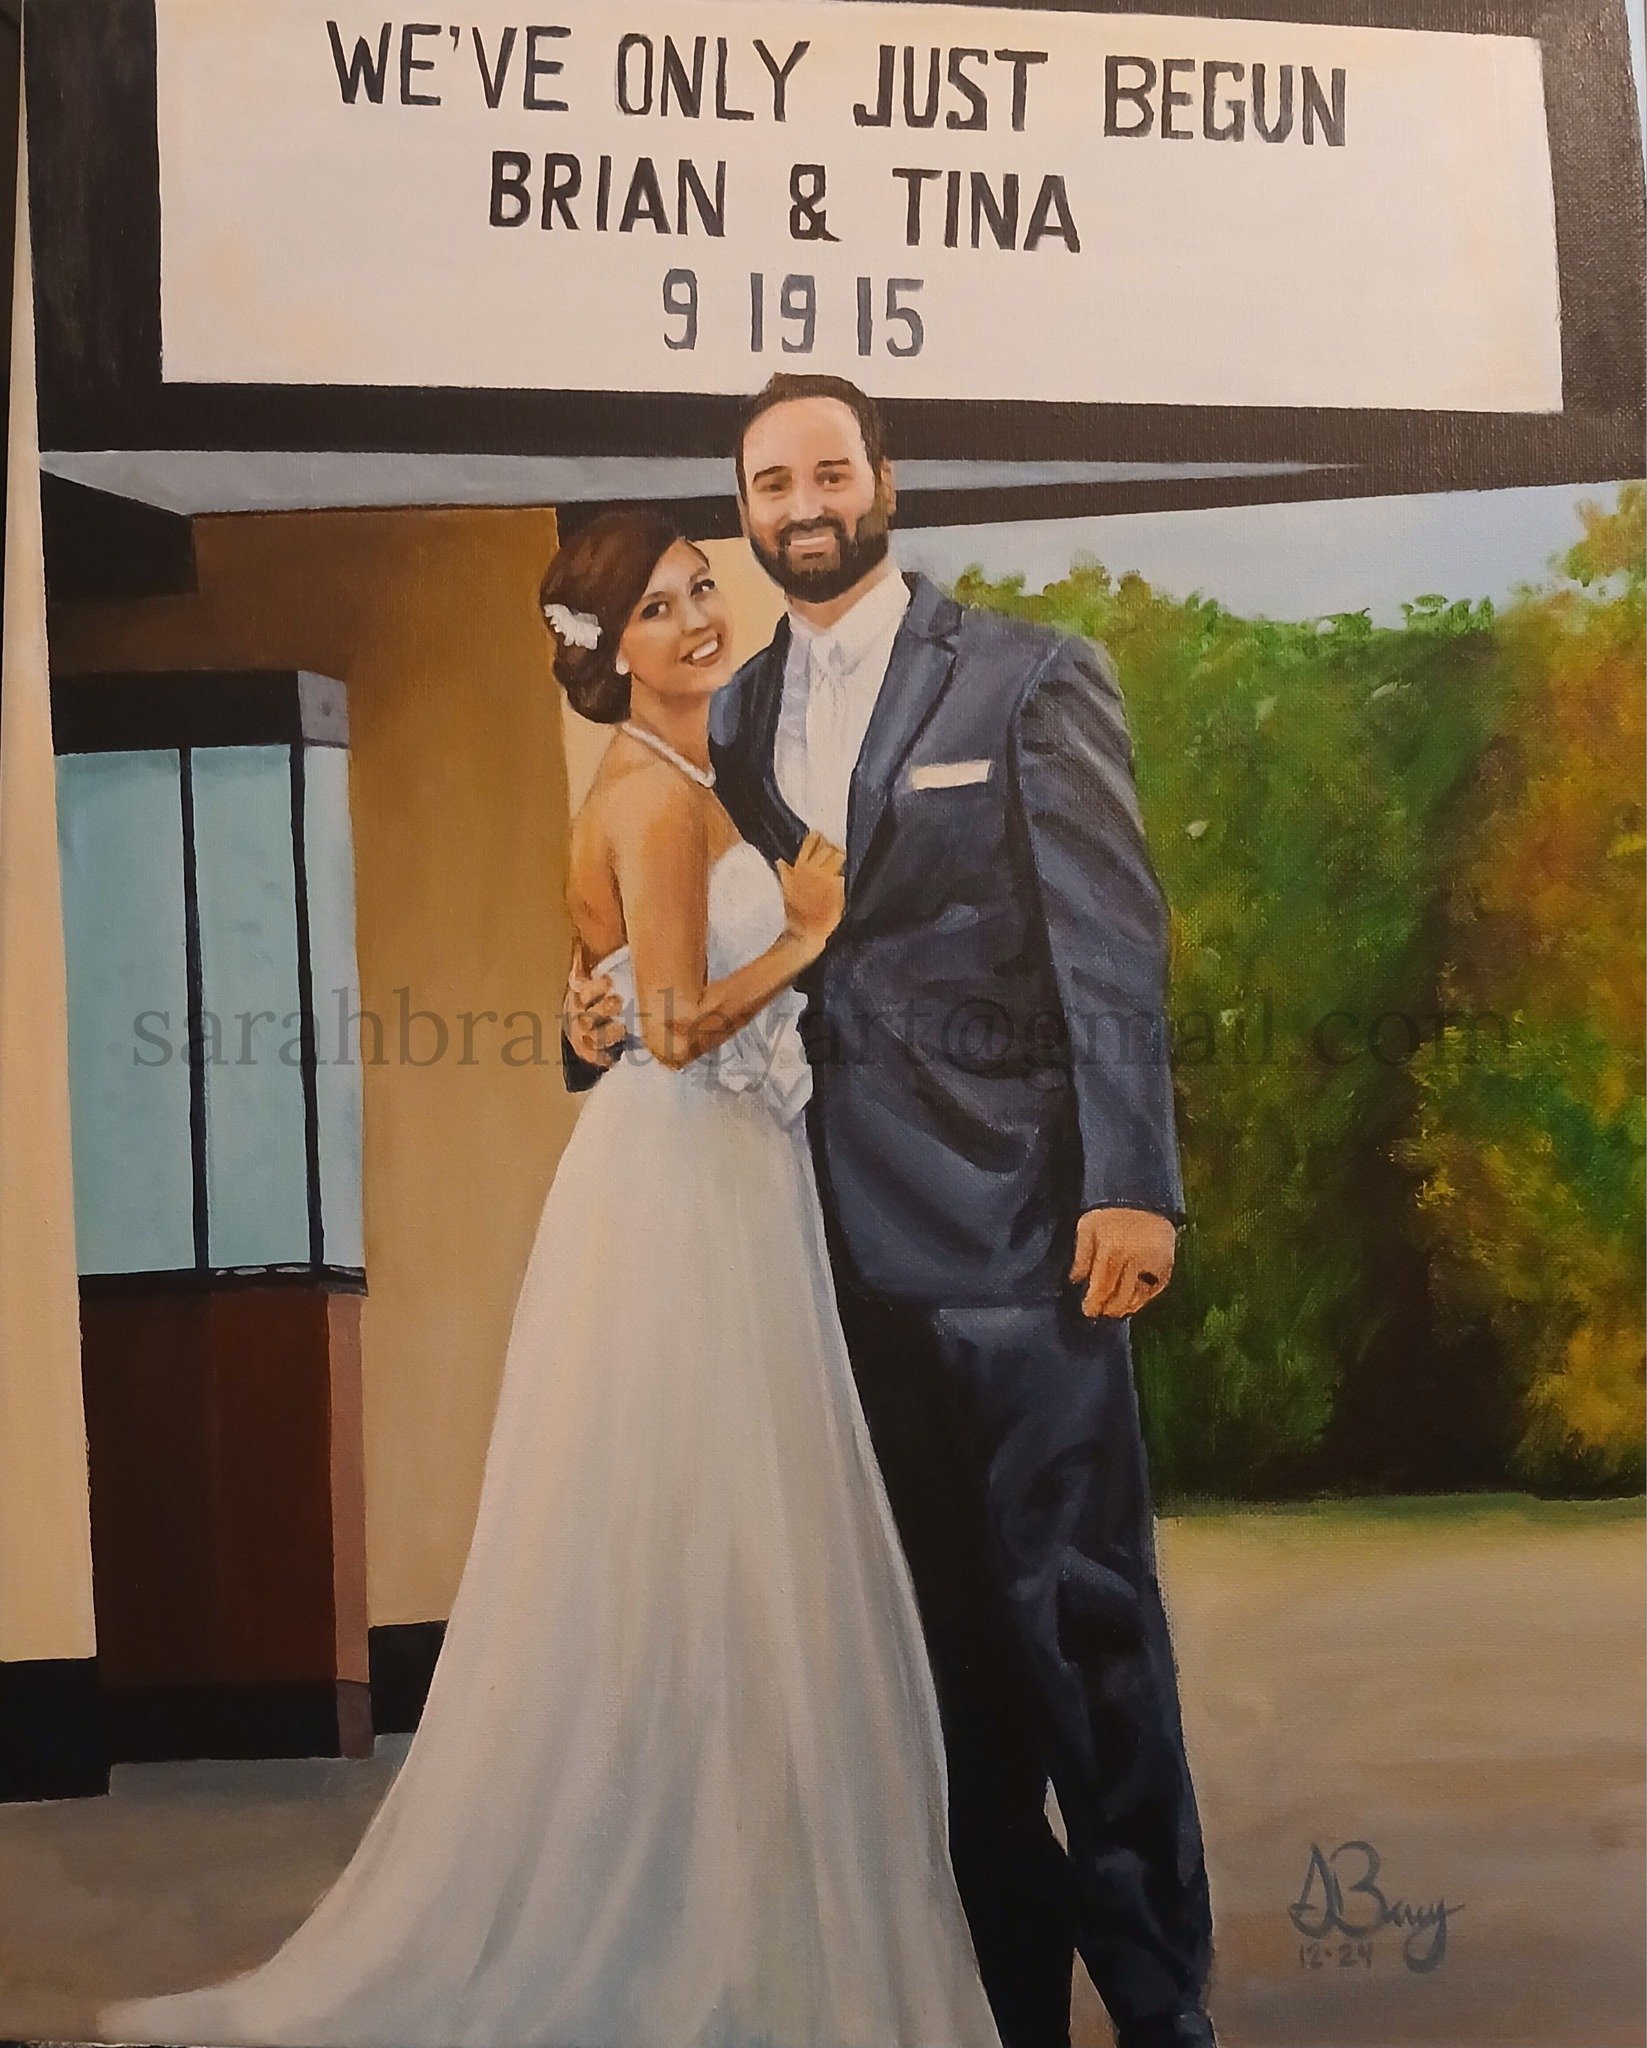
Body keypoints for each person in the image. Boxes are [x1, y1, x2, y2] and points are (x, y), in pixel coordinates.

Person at [100, 508, 1002, 2048]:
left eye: (698, 589)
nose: (699, 620)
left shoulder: (700, 774)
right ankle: (709, 1933)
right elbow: (662, 1029)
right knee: (698, 1540)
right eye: (658, 611)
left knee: (726, 1547)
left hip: (714, 1175)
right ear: (609, 657)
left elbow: (597, 1013)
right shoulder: (649, 800)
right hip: (686, 1193)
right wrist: (808, 938)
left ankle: (738, 1911)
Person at [566, 375, 1217, 2048]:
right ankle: (1009, 2020)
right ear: (747, 504)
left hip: (1021, 1251)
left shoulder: (1026, 675)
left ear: (887, 483)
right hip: (818, 1271)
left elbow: (1110, 948)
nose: (801, 503)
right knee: (940, 1688)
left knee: (1086, 1647)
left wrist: (1133, 1183)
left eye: (829, 469)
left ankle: (1166, 2016)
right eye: (768, 480)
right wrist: (596, 1022)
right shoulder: (737, 703)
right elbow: (687, 961)